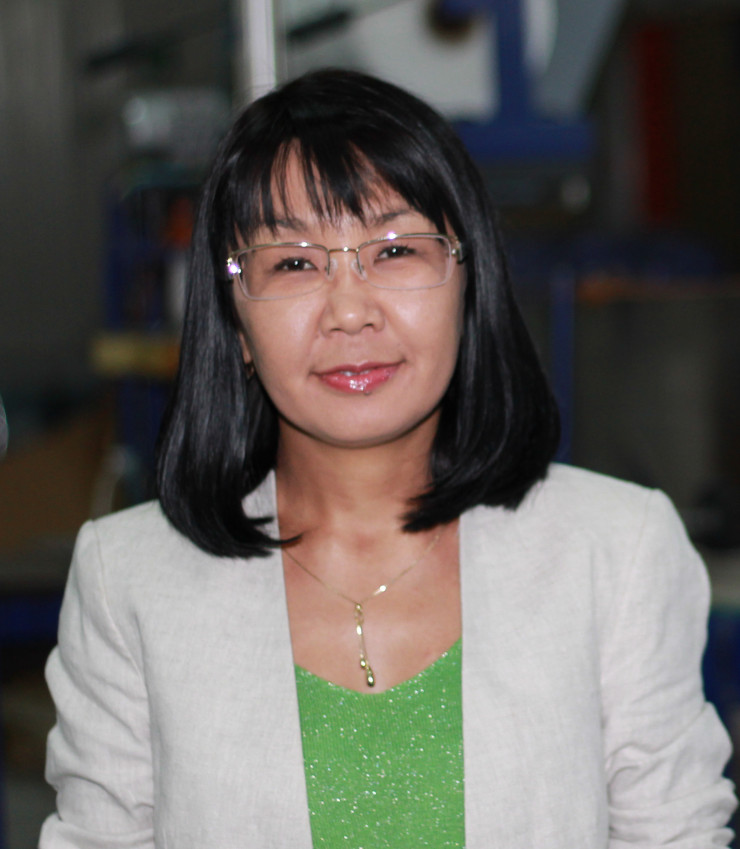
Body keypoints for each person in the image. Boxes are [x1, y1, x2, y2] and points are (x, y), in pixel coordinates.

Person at [40, 69, 735, 848]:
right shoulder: (130, 579)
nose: (349, 310)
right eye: (294, 263)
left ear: (469, 283)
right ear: (235, 322)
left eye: (396, 249)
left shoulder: (617, 552)